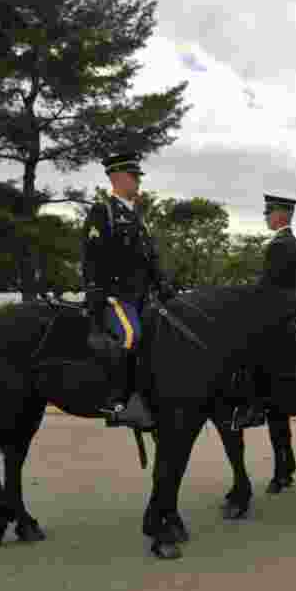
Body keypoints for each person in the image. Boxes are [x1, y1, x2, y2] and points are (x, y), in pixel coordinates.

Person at [82, 151, 175, 428]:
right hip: (115, 297)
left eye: (137, 177)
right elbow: (91, 256)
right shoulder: (104, 211)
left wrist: (164, 286)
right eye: (134, 177)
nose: (138, 183)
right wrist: (96, 293)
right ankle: (117, 401)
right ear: (118, 178)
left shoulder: (137, 215)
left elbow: (149, 257)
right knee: (131, 336)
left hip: (142, 297)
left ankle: (151, 394)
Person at [230, 194, 296, 429]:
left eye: (268, 213)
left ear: (280, 215)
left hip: (280, 311)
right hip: (293, 306)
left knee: (246, 346)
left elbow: (268, 285)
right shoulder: (294, 243)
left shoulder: (279, 245)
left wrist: (244, 296)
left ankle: (253, 406)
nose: (266, 217)